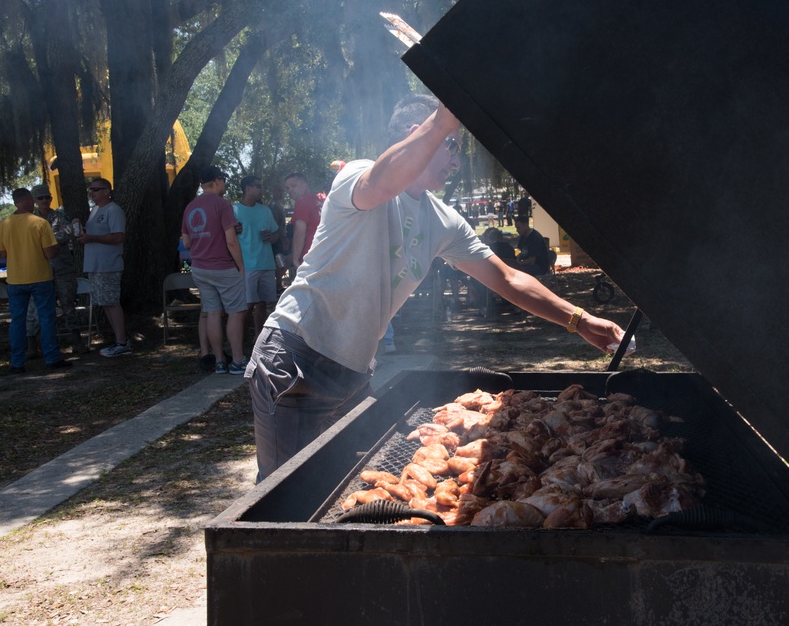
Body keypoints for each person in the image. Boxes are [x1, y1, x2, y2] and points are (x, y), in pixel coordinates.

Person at [246, 94, 625, 482]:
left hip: (353, 374)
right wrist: (444, 123)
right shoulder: (358, 175)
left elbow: (508, 279)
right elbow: (380, 183)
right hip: (295, 362)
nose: (457, 162)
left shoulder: (441, 220)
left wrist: (579, 319)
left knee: (338, 493)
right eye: (453, 149)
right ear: (419, 133)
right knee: (284, 499)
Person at [0, 188, 73, 372]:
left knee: (17, 321)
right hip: (40, 277)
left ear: (15, 202)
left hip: (15, 279)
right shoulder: (40, 223)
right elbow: (50, 252)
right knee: (47, 318)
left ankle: (17, 362)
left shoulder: (4, 224)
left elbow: (2, 253)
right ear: (30, 200)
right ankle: (52, 358)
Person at [182, 166, 247, 375]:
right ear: (218, 181)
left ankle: (219, 361)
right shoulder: (222, 204)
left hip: (200, 268)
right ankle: (237, 360)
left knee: (212, 313)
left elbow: (186, 242)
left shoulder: (190, 207)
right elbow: (231, 241)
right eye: (224, 181)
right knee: (236, 312)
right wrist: (241, 267)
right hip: (223, 266)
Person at [28, 184, 87, 354]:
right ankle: (33, 346)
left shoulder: (60, 216)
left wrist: (46, 240)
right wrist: (54, 237)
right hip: (40, 271)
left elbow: (67, 234)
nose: (45, 200)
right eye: (41, 198)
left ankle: (77, 342)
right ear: (34, 200)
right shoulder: (30, 220)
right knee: (36, 309)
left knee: (68, 305)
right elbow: (34, 242)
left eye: (47, 197)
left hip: (63, 269)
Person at [79, 177, 131, 357]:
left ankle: (122, 342)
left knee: (112, 303)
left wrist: (92, 238)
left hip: (108, 265)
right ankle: (119, 340)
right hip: (95, 265)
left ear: (107, 192)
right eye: (91, 189)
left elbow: (119, 237)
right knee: (105, 303)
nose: (92, 192)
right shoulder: (94, 210)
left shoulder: (114, 210)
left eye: (96, 189)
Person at [233, 176, 280, 342]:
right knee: (247, 305)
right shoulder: (234, 210)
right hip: (247, 265)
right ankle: (239, 339)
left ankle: (259, 339)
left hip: (267, 264)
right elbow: (227, 236)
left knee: (262, 304)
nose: (262, 189)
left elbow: (276, 234)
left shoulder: (265, 210)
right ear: (247, 188)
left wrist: (271, 236)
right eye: (258, 186)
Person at [283, 172, 322, 270]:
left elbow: (300, 231)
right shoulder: (319, 201)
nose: (290, 190)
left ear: (304, 185)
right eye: (287, 188)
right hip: (323, 254)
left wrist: (295, 259)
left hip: (309, 258)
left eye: (293, 186)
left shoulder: (302, 201)